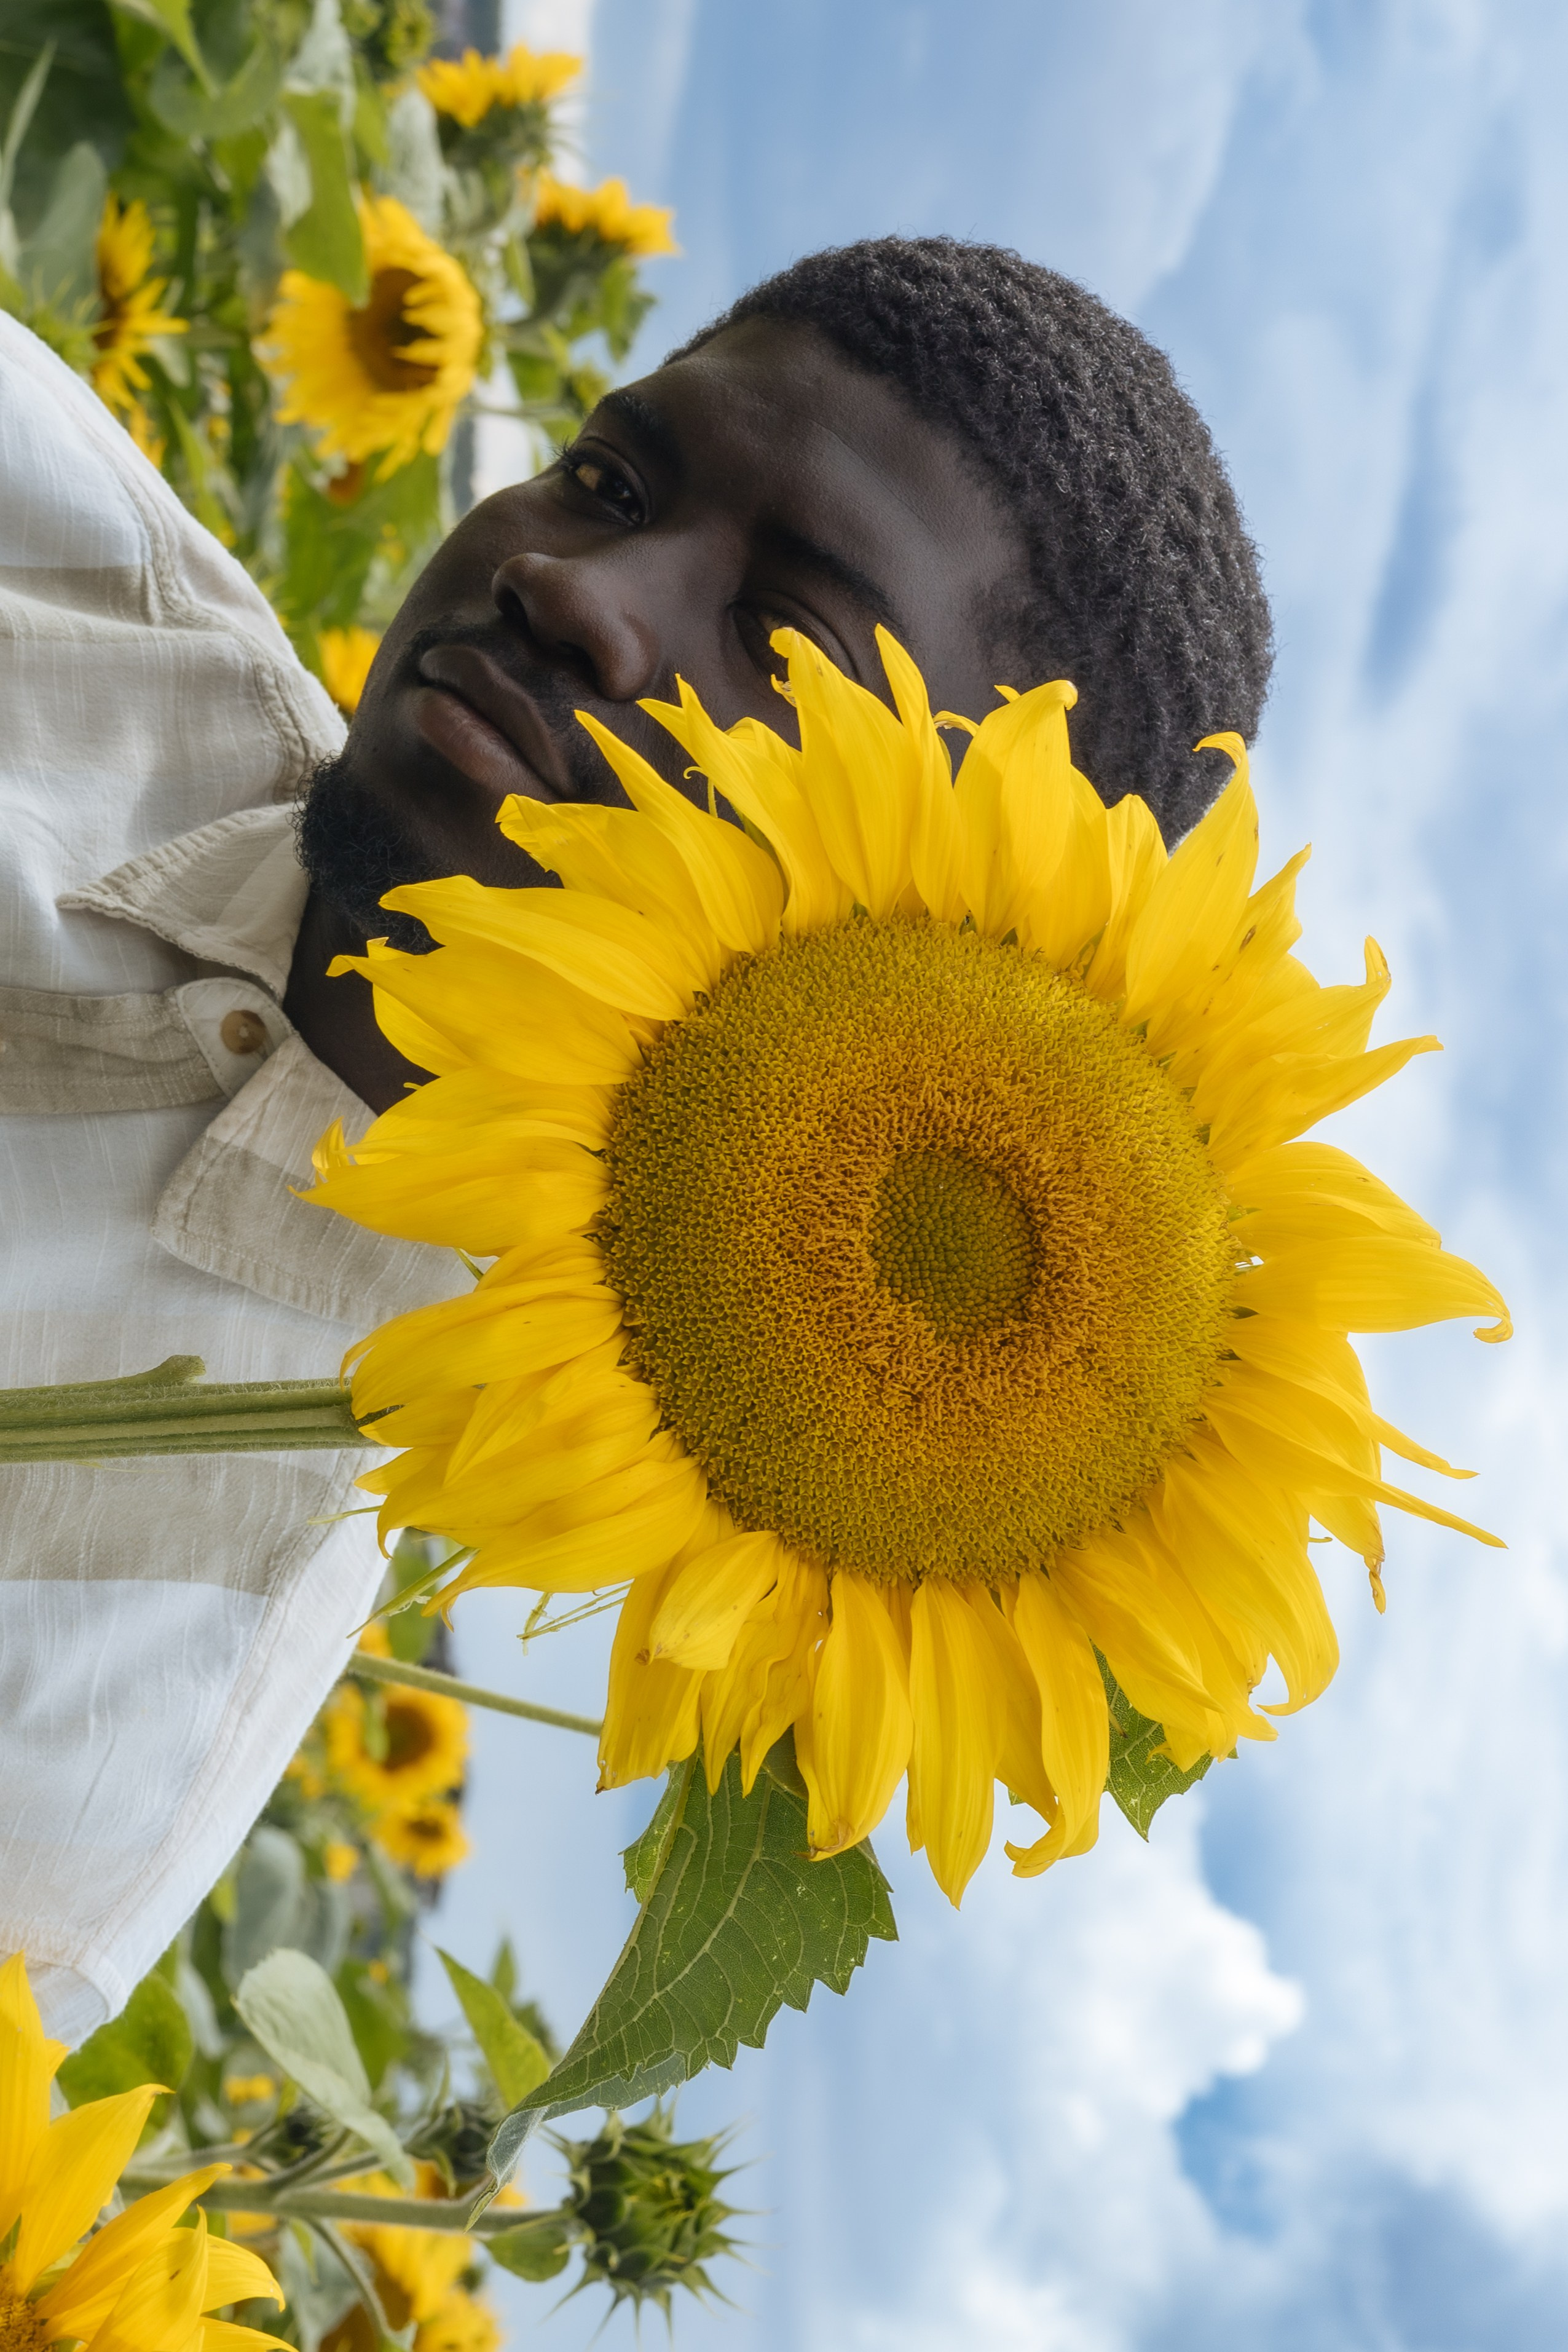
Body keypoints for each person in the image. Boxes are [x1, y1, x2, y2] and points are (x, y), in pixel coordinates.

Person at [0, 234, 1271, 2040]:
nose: (574, 588)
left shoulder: (102, 1730)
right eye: (605, 480)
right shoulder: (45, 549)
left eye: (788, 649)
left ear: (924, 954)